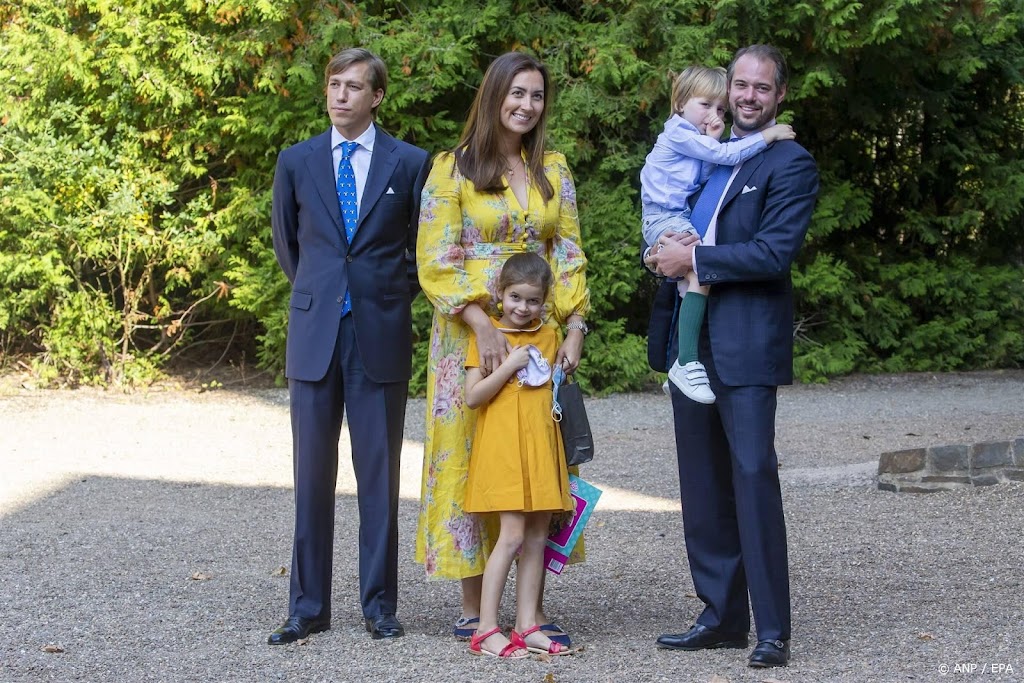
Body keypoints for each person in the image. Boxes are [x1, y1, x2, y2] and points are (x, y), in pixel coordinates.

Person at [644, 44, 819, 668]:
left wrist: (692, 258)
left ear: (780, 95)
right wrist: (660, 254)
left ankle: (772, 629)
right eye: (739, 85)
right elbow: (668, 216)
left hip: (744, 343)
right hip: (690, 342)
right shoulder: (702, 148)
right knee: (702, 483)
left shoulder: (789, 163)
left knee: (751, 476)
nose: (747, 96)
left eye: (761, 88)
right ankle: (720, 617)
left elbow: (773, 253)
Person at [415, 51, 590, 647]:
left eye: (536, 95)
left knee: (533, 455)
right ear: (494, 96)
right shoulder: (453, 168)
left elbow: (568, 253)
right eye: (517, 93)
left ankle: (529, 612)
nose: (526, 105)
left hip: (540, 332)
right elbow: (435, 256)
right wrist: (479, 322)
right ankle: (475, 607)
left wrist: (574, 326)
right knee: (471, 455)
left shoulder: (552, 170)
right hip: (467, 332)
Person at [267, 47, 429, 645]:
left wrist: (382, 294)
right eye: (334, 84)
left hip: (379, 334)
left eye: (354, 86)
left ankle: (379, 606)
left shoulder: (409, 163)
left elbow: (423, 248)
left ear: (376, 96)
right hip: (315, 334)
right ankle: (307, 608)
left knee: (379, 475)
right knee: (311, 475)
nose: (340, 95)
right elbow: (289, 244)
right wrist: (324, 292)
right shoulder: (297, 160)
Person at [640, 65, 795, 404]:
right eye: (705, 105)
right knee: (700, 269)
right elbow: (725, 156)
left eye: (720, 109)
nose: (714, 115)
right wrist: (768, 135)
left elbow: (705, 175)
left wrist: (710, 138)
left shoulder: (694, 139)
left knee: (692, 279)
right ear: (680, 103)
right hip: (665, 218)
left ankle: (681, 365)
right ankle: (686, 362)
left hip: (671, 218)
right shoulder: (678, 132)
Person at [463, 252, 575, 658]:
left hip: (541, 448)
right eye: (515, 298)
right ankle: (485, 629)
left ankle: (527, 625)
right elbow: (473, 397)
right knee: (510, 536)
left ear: (544, 302)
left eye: (532, 301)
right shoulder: (488, 337)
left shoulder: (550, 336)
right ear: (500, 293)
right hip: (505, 450)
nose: (523, 308)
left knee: (537, 536)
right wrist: (509, 364)